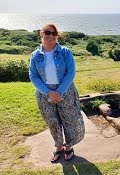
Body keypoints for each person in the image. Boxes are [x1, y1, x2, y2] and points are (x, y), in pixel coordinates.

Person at [29, 23, 85, 163]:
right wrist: (49, 93)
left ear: (57, 36)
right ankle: (59, 147)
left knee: (70, 120)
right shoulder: (35, 55)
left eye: (54, 33)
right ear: (41, 34)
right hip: (44, 94)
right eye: (47, 32)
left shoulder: (65, 52)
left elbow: (70, 72)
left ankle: (69, 147)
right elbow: (33, 75)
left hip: (65, 91)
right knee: (52, 122)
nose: (50, 36)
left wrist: (59, 92)